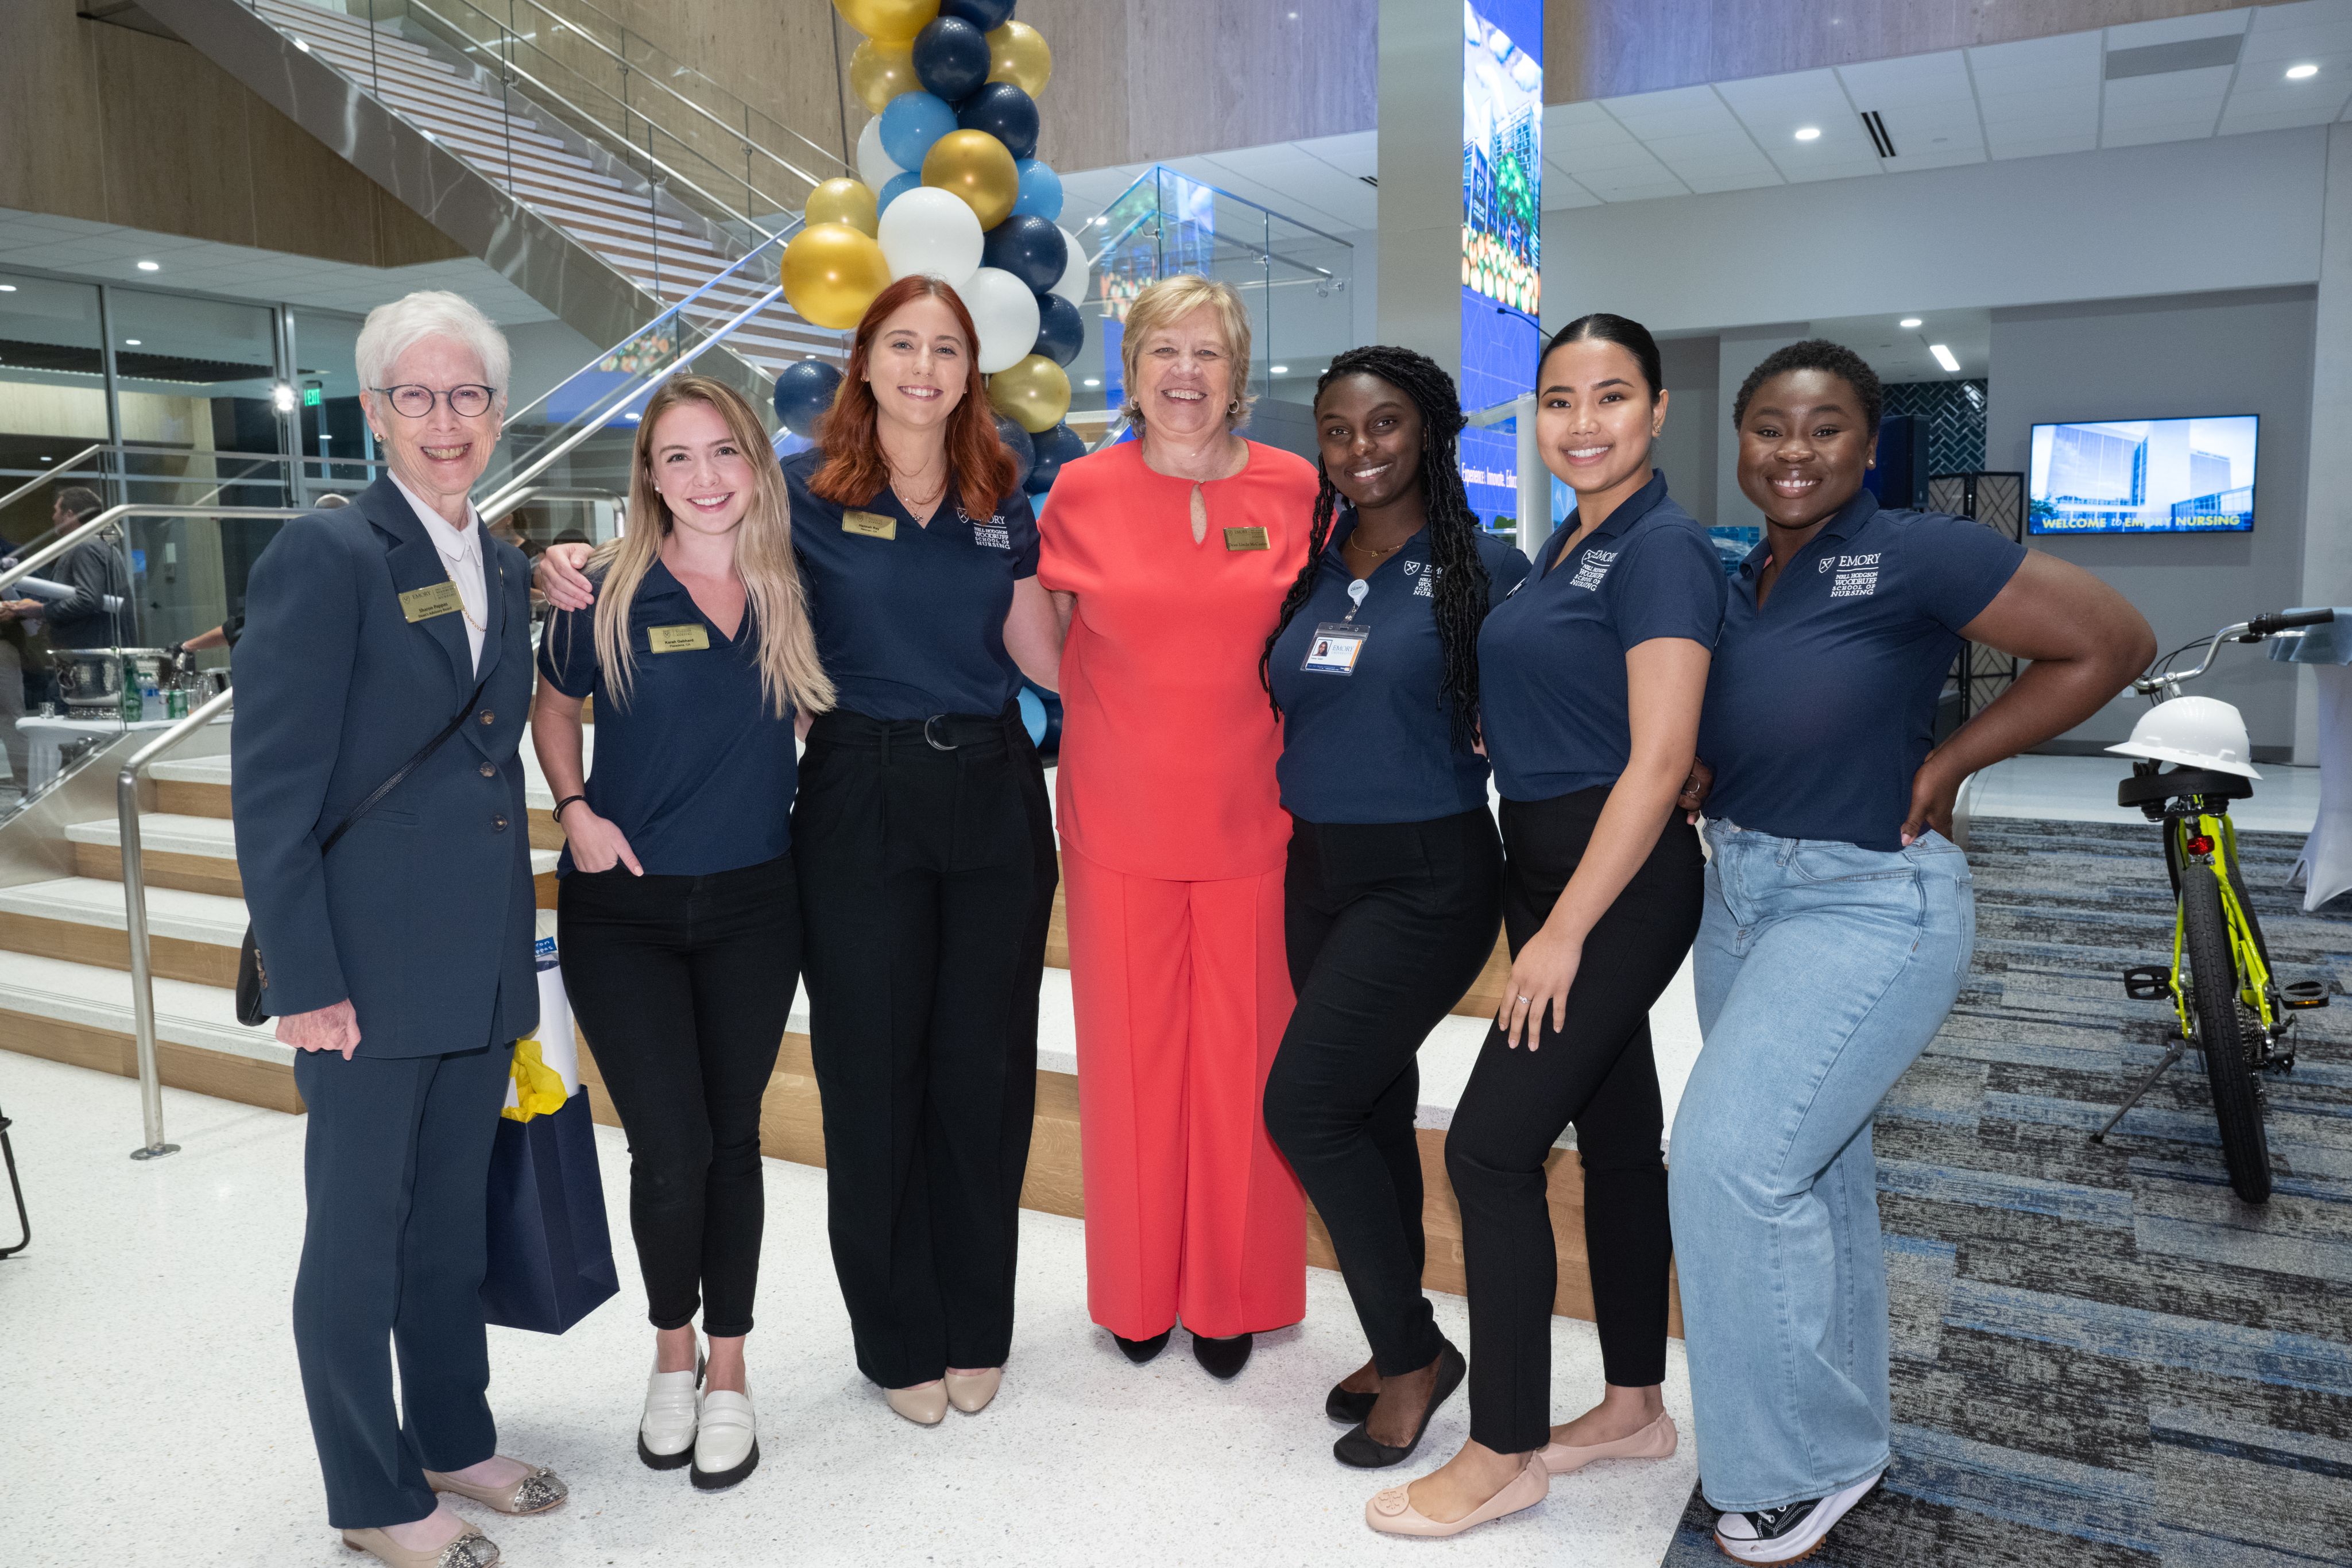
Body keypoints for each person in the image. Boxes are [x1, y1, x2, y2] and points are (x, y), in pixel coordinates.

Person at [539, 276, 1061, 1428]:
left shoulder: (1000, 496)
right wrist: (565, 558)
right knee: (872, 1072)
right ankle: (897, 1337)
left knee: (984, 1071)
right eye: (900, 344)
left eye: (946, 348)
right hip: (858, 786)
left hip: (991, 787)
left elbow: (1047, 652)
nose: (923, 367)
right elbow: (687, 524)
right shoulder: (802, 495)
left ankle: (977, 1321)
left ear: (971, 371)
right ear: (862, 362)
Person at [1668, 340, 2152, 1565]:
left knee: (1725, 1164)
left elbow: (2110, 641)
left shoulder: (1917, 549)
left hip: (1867, 901)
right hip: (1742, 892)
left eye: (1823, 426)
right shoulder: (1739, 571)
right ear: (1739, 440)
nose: (1793, 450)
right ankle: (1836, 1439)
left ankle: (1790, 1467)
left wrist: (1951, 762)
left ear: (1867, 442)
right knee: (1812, 1173)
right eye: (1769, 426)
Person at [1371, 314, 1723, 1537]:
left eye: (1611, 396)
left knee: (1487, 1149)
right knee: (1617, 1140)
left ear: (1657, 410)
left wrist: (1565, 932)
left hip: (1608, 883)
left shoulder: (1660, 548)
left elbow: (1660, 760)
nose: (1582, 423)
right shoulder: (1574, 539)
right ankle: (1632, 1407)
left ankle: (1504, 1449)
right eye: (1559, 400)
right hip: (1548, 859)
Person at [231, 289, 563, 1568]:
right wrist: (304, 975)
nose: (444, 419)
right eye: (415, 396)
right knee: (357, 1240)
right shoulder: (328, 554)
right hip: (361, 968)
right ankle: (371, 1493)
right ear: (373, 412)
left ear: (497, 410)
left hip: (475, 960)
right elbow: (273, 790)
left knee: (447, 1226)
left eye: (467, 394)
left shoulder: (504, 561)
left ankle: (450, 1437)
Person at [532, 375, 832, 1490]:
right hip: (625, 913)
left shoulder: (792, 583)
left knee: (733, 1137)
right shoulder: (602, 588)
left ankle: (731, 1367)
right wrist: (574, 807)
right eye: (677, 457)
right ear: (649, 477)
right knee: (668, 1148)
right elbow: (552, 706)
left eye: (723, 452)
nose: (704, 478)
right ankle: (673, 1349)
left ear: (754, 461)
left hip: (757, 904)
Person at [1040, 273, 1320, 1380]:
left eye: (1208, 353)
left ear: (1237, 372)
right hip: (1117, 819)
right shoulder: (1082, 490)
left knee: (1247, 1068)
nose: (1186, 373)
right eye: (1164, 351)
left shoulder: (1296, 486)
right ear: (1131, 369)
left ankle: (1233, 1295)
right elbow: (1049, 637)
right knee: (1131, 1067)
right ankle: (1138, 1290)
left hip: (1258, 817)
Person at [1258, 346, 1529, 1466]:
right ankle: (1392, 1337)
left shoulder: (1487, 568)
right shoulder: (1315, 566)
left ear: (1428, 434)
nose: (1358, 447)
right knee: (1365, 1108)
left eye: (1383, 424)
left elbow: (1563, 701)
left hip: (1428, 874)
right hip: (1315, 868)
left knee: (1304, 1106)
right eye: (1336, 428)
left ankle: (1414, 1355)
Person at [37, 485, 131, 651]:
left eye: (56, 511)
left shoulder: (85, 547)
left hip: (89, 651)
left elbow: (88, 600)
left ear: (70, 515)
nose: (53, 517)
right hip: (96, 646)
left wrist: (42, 610)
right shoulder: (101, 546)